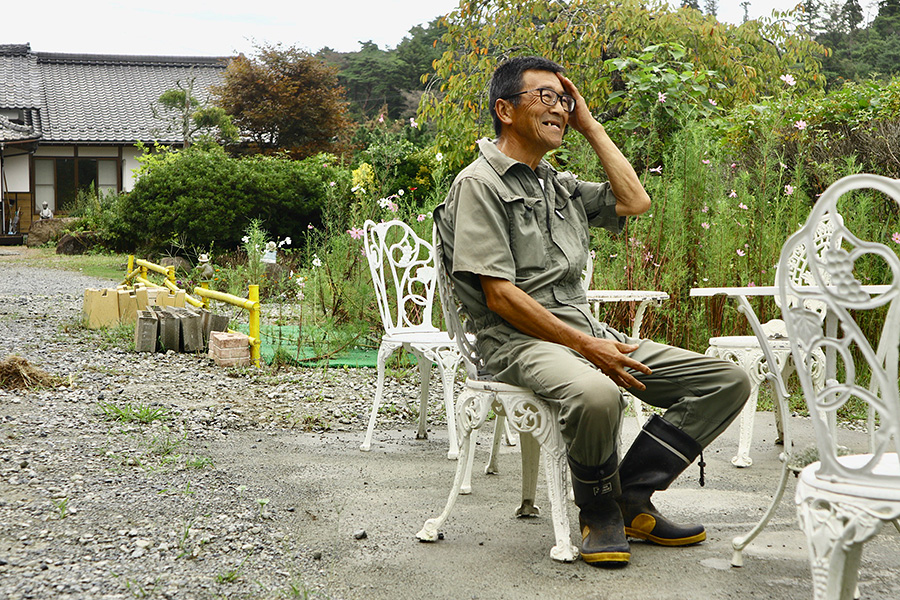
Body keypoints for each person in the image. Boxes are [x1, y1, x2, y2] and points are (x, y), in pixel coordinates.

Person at [433, 56, 750, 568]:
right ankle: (598, 509)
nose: (560, 108)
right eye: (546, 97)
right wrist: (588, 348)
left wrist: (592, 126)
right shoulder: (479, 184)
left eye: (565, 100)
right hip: (516, 341)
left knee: (725, 381)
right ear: (505, 111)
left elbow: (635, 201)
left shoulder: (555, 184)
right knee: (597, 393)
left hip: (584, 333)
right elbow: (499, 296)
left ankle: (630, 497)